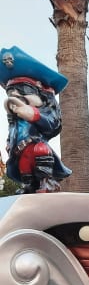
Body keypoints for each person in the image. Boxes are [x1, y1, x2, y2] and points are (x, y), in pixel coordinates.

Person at [0, 46, 71, 193]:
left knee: (41, 150)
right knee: (23, 164)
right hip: (20, 150)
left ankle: (46, 182)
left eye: (22, 91)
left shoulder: (43, 109)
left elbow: (53, 124)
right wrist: (9, 143)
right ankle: (29, 185)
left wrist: (34, 114)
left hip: (35, 145)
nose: (15, 96)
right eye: (11, 93)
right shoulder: (14, 119)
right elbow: (12, 132)